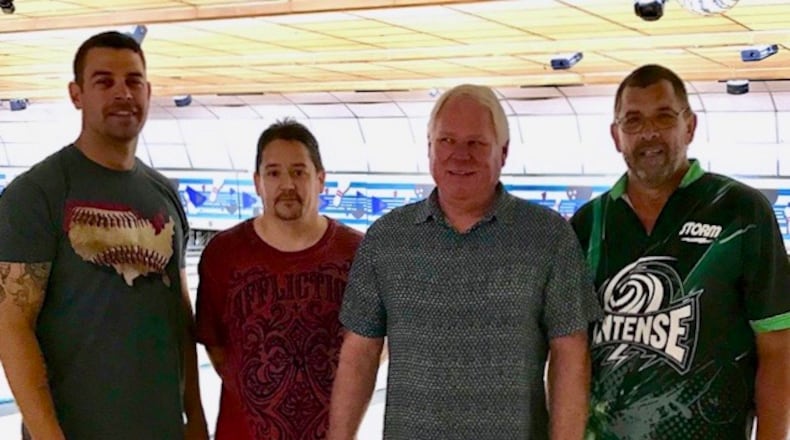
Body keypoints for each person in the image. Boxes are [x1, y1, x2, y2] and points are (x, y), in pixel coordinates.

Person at [328, 84, 602, 440]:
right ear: (429, 149)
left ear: (503, 152)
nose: (460, 155)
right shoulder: (387, 238)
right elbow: (359, 355)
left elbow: (570, 356)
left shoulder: (548, 237)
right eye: (446, 141)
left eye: (476, 143)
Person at [0, 31, 208, 439]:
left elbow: (179, 315)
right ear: (76, 94)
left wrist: (196, 418)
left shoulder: (164, 194)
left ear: (148, 91)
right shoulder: (38, 193)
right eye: (104, 81)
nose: (122, 93)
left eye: (133, 81)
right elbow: (12, 327)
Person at [570, 64, 790, 439]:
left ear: (690, 126)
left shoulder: (741, 212)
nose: (649, 133)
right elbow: (571, 355)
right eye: (633, 120)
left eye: (664, 116)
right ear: (616, 136)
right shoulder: (588, 223)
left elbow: (777, 345)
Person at [195, 119, 364, 439]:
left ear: (321, 180)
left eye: (299, 172)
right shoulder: (222, 254)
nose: (287, 184)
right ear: (257, 182)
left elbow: (374, 347)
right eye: (273, 173)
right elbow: (216, 348)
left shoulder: (358, 253)